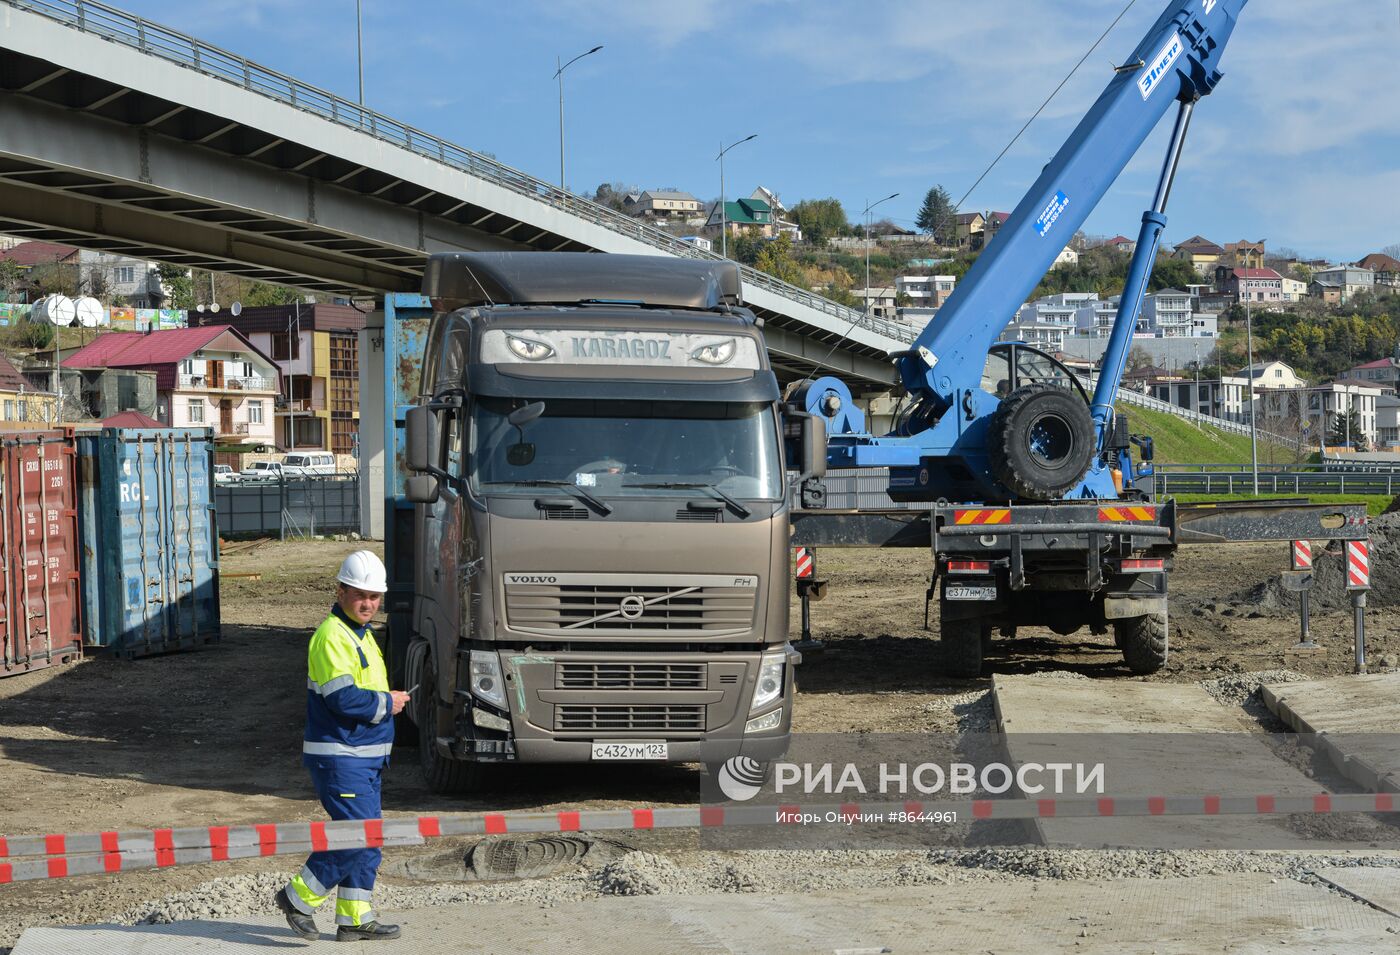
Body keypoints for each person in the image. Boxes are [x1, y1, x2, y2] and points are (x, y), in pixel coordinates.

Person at [274, 550, 411, 943]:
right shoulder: (333, 636)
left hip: (362, 758)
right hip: (341, 758)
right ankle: (297, 898)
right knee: (358, 836)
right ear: (340, 591)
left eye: (374, 596)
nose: (368, 603)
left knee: (368, 838)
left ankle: (355, 918)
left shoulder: (360, 635)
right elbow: (343, 699)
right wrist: (388, 702)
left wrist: (385, 702)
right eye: (360, 595)